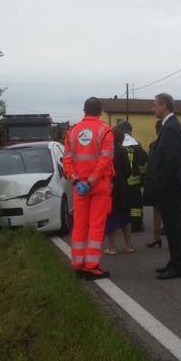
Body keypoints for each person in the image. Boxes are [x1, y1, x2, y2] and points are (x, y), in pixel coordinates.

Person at [63, 97, 114, 280]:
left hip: (79, 187)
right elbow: (105, 159)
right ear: (100, 111)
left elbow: (67, 160)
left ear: (84, 110)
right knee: (96, 225)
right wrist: (91, 181)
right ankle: (92, 266)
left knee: (80, 225)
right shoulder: (105, 131)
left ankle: (78, 264)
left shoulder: (72, 132)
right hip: (98, 185)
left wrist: (77, 180)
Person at [144, 93, 181, 280]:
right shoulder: (169, 125)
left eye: (154, 105)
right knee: (171, 227)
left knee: (174, 226)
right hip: (168, 185)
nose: (152, 108)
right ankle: (173, 262)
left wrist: (161, 183)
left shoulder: (171, 127)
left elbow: (172, 160)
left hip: (170, 186)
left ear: (164, 106)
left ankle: (178, 267)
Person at [103, 127, 134, 254]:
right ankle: (128, 246)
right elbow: (128, 171)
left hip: (110, 188)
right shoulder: (123, 150)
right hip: (123, 188)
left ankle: (111, 248)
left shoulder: (106, 151)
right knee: (126, 218)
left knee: (112, 218)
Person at [116, 121, 148, 233]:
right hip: (134, 181)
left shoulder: (117, 143)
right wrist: (143, 176)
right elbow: (143, 162)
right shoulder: (136, 144)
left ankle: (121, 224)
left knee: (121, 203)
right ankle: (136, 225)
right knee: (136, 206)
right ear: (130, 130)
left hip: (119, 181)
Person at [145, 119, 163, 248]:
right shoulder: (155, 145)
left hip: (157, 182)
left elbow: (150, 166)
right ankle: (157, 237)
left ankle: (156, 238)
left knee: (157, 211)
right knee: (165, 211)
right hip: (165, 182)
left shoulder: (153, 145)